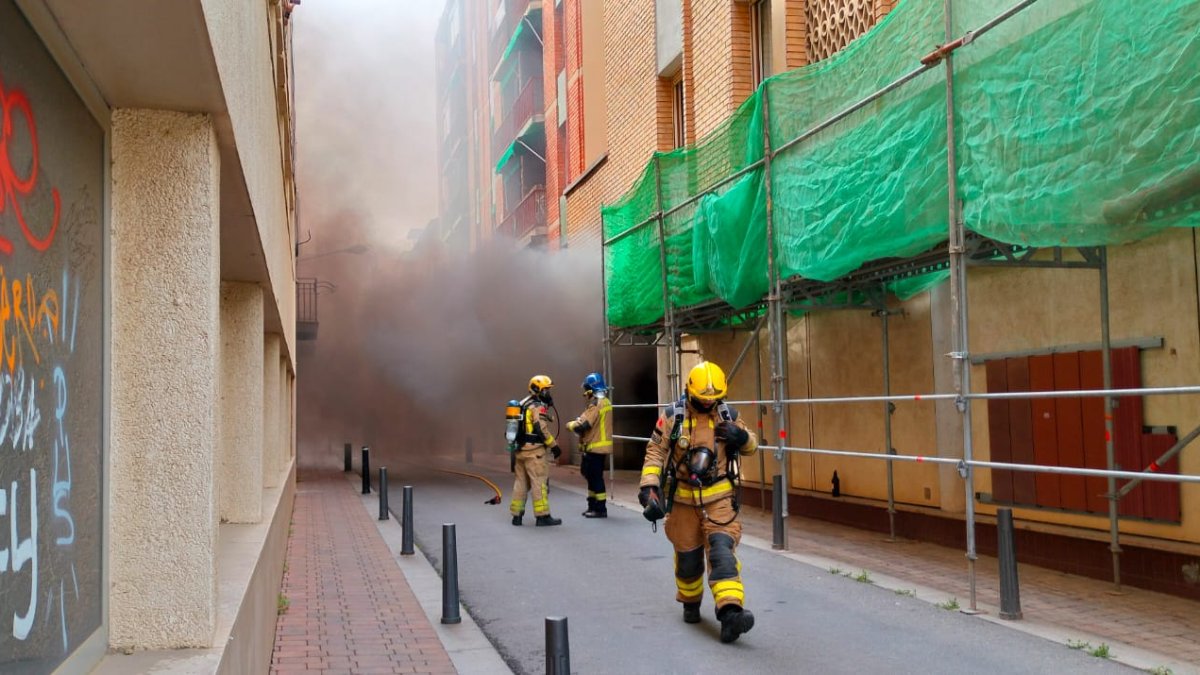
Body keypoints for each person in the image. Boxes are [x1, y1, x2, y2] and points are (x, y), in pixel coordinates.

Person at [638, 361, 758, 643]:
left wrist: (741, 437)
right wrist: (649, 488)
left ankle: (731, 614)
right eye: (703, 400)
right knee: (688, 561)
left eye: (713, 400)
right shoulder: (673, 417)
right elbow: (655, 453)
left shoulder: (728, 415)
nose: (708, 404)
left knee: (722, 553)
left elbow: (752, 446)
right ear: (689, 392)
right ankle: (690, 602)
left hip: (719, 500)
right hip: (682, 501)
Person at [510, 375, 563, 527]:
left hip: (521, 451)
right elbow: (541, 428)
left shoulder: (523, 403)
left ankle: (516, 516)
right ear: (537, 389)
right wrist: (554, 446)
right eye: (546, 390)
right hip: (535, 453)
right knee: (539, 483)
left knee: (520, 483)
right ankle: (542, 516)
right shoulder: (537, 406)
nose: (548, 393)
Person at [566, 372, 613, 518]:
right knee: (592, 477)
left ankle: (599, 509)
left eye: (586, 388)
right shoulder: (604, 401)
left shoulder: (596, 404)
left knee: (595, 478)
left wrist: (571, 425)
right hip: (597, 447)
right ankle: (593, 506)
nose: (584, 392)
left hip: (595, 447)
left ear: (591, 388)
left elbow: (583, 425)